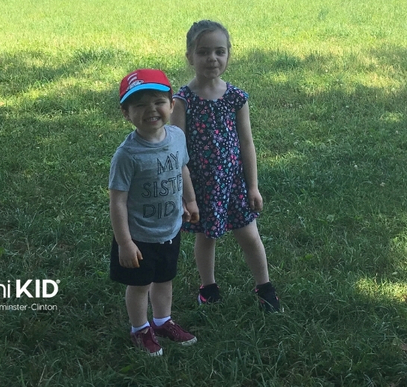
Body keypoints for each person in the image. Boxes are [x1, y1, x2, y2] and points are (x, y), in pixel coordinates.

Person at [170, 20, 281, 312]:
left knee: (249, 234)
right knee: (206, 236)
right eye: (203, 52)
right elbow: (177, 150)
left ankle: (265, 286)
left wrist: (253, 185)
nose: (212, 58)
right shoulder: (182, 101)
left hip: (234, 183)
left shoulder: (236, 97)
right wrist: (186, 195)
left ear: (229, 54)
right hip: (201, 186)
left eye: (220, 51)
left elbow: (247, 144)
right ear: (189, 57)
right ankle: (208, 287)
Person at [109, 68, 201, 356]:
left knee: (164, 279)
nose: (151, 109)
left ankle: (162, 321)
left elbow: (182, 167)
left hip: (170, 228)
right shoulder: (127, 155)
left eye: (158, 101)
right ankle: (140, 329)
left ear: (171, 105)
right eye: (139, 104)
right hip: (139, 236)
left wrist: (191, 201)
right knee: (139, 286)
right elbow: (118, 201)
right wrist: (125, 242)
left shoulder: (176, 136)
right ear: (126, 113)